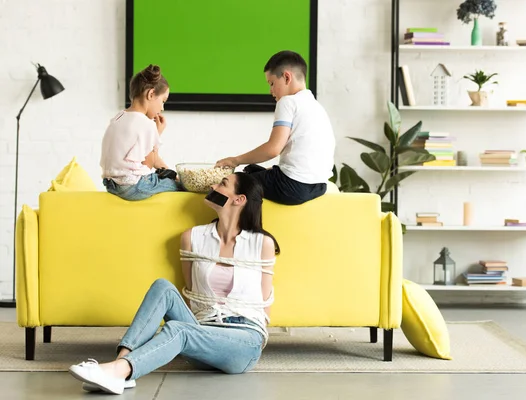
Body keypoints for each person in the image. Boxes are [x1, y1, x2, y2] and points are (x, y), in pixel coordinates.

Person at [68, 172, 279, 395]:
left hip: (243, 342)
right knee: (162, 287)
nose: (212, 185)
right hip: (201, 336)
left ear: (239, 199)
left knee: (178, 330)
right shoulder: (193, 238)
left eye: (223, 184)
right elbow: (190, 296)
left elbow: (264, 303)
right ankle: (119, 369)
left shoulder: (261, 243)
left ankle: (118, 371)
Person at [216, 50, 335, 206]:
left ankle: (224, 228)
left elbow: (273, 149)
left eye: (271, 83)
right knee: (252, 170)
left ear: (286, 77)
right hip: (318, 185)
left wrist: (235, 160)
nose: (270, 90)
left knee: (232, 181)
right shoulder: (316, 106)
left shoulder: (287, 102)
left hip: (293, 186)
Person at [100, 64, 180, 201]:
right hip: (132, 187)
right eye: (163, 101)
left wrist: (169, 171)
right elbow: (148, 165)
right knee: (179, 186)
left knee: (168, 177)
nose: (162, 108)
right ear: (151, 94)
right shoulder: (146, 124)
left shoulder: (118, 118)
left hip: (111, 185)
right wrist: (156, 134)